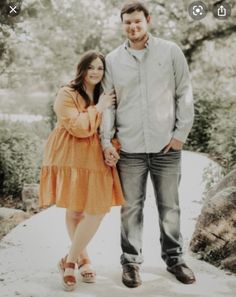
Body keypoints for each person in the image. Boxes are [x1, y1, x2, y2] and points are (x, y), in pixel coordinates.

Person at [100, 1, 196, 288]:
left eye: (137, 21)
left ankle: (175, 259)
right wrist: (107, 140)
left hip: (166, 145)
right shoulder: (113, 60)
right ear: (122, 24)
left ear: (148, 21)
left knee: (170, 207)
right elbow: (108, 105)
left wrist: (180, 134)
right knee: (131, 208)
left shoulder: (170, 51)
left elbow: (184, 93)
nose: (133, 27)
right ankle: (131, 262)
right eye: (127, 22)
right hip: (129, 148)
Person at [39, 50, 125, 291]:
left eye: (100, 68)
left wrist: (113, 147)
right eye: (91, 67)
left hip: (95, 156)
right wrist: (98, 107)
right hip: (70, 155)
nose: (95, 72)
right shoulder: (67, 93)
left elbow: (112, 126)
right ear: (82, 69)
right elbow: (78, 126)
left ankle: (68, 259)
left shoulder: (105, 93)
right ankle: (82, 259)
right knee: (76, 209)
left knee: (96, 211)